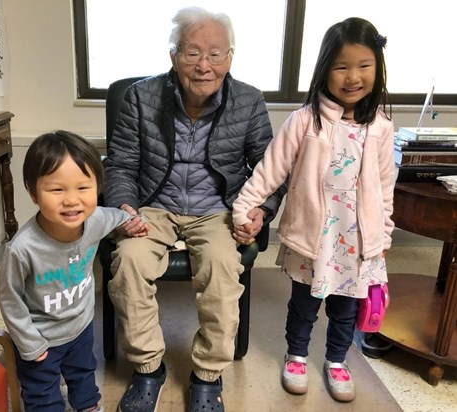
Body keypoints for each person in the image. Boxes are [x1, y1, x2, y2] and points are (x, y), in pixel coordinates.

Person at [103, 6, 286, 412]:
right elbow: (120, 164)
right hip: (154, 203)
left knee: (221, 269)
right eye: (192, 53)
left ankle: (207, 374)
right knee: (129, 262)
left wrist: (260, 210)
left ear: (230, 57)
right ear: (173, 55)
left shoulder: (249, 100)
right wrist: (124, 206)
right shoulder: (141, 97)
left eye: (216, 54)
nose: (204, 66)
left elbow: (269, 169)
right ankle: (149, 367)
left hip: (218, 208)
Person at [232, 17, 395, 402]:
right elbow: (269, 171)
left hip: (357, 243)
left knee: (344, 308)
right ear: (325, 70)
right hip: (315, 238)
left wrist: (384, 233)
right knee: (304, 304)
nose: (352, 77)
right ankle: (297, 355)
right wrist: (244, 208)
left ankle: (337, 361)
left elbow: (385, 187)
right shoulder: (305, 121)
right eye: (341, 66)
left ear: (378, 68)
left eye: (363, 66)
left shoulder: (381, 128)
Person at [0, 131, 145, 412]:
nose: (72, 200)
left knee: (83, 374)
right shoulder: (22, 249)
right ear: (33, 192)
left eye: (83, 188)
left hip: (80, 325)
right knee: (41, 391)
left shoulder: (96, 219)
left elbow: (116, 216)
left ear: (97, 188)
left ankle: (87, 406)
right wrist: (30, 344)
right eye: (57, 190)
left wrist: (134, 220)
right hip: (41, 337)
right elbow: (9, 300)